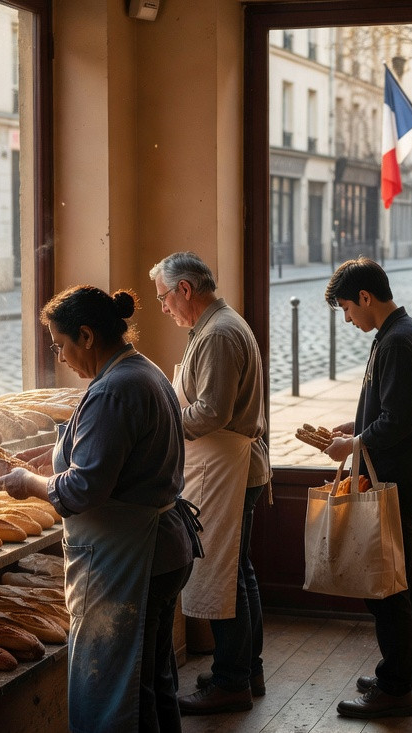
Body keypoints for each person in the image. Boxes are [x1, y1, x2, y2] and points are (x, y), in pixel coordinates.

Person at [0, 285, 198, 733]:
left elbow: (82, 490)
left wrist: (29, 482)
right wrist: (54, 455)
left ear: (86, 336)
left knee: (121, 692)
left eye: (59, 343)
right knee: (151, 680)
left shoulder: (113, 389)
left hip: (134, 559)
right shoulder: (140, 370)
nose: (59, 355)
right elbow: (111, 454)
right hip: (162, 551)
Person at [319, 257, 412, 720]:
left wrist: (353, 442)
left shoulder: (397, 340)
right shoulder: (398, 333)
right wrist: (356, 424)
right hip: (406, 476)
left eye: (348, 309)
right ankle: (408, 676)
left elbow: (400, 420)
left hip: (400, 480)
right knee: (403, 581)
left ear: (366, 298)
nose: (349, 319)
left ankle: (396, 688)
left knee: (388, 588)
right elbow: (391, 409)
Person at [147, 252, 271, 715]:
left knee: (225, 577)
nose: (163, 308)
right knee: (238, 572)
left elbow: (212, 411)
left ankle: (232, 681)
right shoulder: (216, 324)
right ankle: (245, 669)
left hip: (229, 469)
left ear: (185, 289)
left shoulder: (218, 332)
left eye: (164, 297)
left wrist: (163, 423)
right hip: (232, 467)